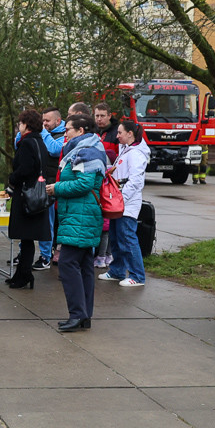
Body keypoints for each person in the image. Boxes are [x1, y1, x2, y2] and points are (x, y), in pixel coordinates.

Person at [44, 114, 107, 332]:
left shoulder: (86, 151)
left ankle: (77, 314)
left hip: (81, 215)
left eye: (68, 129)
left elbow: (84, 183)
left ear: (80, 131)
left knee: (68, 264)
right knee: (84, 265)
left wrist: (57, 188)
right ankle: (83, 315)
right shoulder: (86, 148)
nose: (65, 133)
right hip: (81, 214)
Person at [4, 109, 51, 289]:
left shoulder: (27, 143)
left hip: (26, 195)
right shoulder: (40, 142)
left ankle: (24, 275)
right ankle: (23, 273)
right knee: (28, 238)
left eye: (21, 123)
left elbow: (24, 169)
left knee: (26, 237)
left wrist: (12, 179)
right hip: (37, 194)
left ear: (26, 125)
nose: (19, 126)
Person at [100, 120, 150, 287]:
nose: (117, 135)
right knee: (115, 237)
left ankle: (137, 275)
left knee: (127, 239)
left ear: (130, 134)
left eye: (120, 133)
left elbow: (136, 181)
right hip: (119, 203)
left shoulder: (136, 154)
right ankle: (117, 270)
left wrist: (120, 198)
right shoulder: (125, 150)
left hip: (126, 205)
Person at [34, 106, 67, 270]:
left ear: (58, 121)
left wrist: (43, 132)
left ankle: (46, 256)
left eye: (47, 121)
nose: (44, 124)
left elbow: (55, 150)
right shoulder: (46, 132)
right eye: (42, 121)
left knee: (48, 221)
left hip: (53, 184)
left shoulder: (63, 135)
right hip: (41, 182)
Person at [93, 103, 119, 267]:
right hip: (98, 181)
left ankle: (107, 254)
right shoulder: (94, 132)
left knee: (108, 223)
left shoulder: (116, 133)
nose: (99, 119)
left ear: (110, 115)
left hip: (110, 183)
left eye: (102, 115)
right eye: (97, 116)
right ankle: (100, 254)